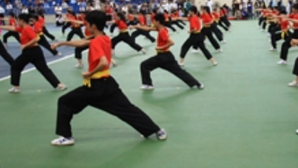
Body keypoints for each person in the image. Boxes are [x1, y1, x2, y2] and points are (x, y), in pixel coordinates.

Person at [50, 10, 167, 146]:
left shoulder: (95, 42)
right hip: (108, 84)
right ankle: (157, 130)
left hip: (95, 87)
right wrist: (62, 43)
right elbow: (82, 43)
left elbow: (104, 62)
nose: (86, 27)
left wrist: (89, 73)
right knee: (127, 109)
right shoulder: (105, 38)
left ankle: (66, 137)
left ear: (93, 26)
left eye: (87, 24)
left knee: (64, 102)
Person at [133, 13, 204, 91]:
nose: (153, 22)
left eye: (154, 21)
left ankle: (147, 84)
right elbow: (147, 29)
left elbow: (171, 42)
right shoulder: (161, 29)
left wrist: (160, 47)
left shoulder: (162, 31)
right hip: (168, 56)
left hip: (162, 57)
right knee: (179, 72)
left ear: (158, 22)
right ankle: (198, 84)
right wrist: (136, 26)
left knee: (144, 65)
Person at [0, 13, 67, 94]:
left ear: (22, 20)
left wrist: (25, 45)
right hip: (36, 52)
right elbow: (12, 28)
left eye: (18, 20)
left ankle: (16, 87)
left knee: (15, 66)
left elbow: (36, 39)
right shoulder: (23, 28)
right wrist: (1, 26)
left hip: (30, 52)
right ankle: (59, 85)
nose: (17, 22)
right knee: (44, 69)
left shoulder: (27, 29)